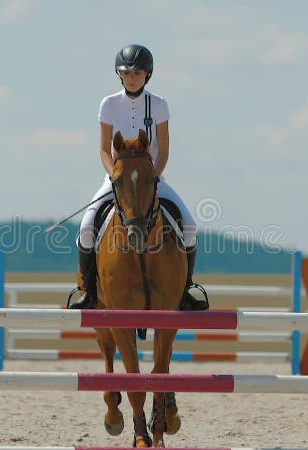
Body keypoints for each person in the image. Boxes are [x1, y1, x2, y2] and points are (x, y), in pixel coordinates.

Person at [67, 44, 208, 311]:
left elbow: (163, 150)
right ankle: (88, 291)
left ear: (147, 74)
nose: (131, 78)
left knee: (189, 227)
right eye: (126, 73)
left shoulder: (159, 104)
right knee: (86, 228)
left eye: (137, 73)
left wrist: (153, 178)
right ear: (120, 75)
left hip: (152, 179)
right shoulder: (108, 104)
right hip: (116, 179)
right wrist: (115, 176)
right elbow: (103, 149)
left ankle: (185, 290)